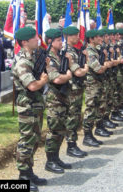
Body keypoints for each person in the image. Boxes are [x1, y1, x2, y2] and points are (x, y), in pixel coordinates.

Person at [12, 27, 48, 192]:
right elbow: (32, 85)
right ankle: (23, 175)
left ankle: (29, 171)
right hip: (27, 105)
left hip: (36, 104)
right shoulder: (22, 61)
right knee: (27, 140)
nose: (38, 39)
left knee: (34, 138)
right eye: (34, 37)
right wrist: (43, 81)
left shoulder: (33, 57)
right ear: (25, 42)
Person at [44, 28, 73, 174]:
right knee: (54, 130)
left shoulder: (60, 56)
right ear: (50, 42)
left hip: (63, 97)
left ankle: (56, 158)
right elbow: (56, 78)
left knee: (61, 130)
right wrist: (68, 75)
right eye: (58, 40)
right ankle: (50, 161)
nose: (61, 43)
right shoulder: (47, 58)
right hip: (54, 99)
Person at [64, 26, 89, 158]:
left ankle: (73, 144)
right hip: (72, 89)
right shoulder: (67, 51)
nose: (78, 37)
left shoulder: (75, 50)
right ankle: (71, 145)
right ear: (68, 37)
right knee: (72, 117)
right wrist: (86, 68)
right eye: (75, 35)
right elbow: (78, 72)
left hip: (77, 88)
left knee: (76, 116)